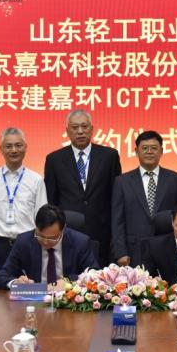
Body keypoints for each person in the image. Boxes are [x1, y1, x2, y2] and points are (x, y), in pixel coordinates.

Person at [44, 109, 122, 268]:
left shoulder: (109, 156)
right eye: (74, 127)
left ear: (92, 129)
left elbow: (116, 196)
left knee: (100, 278)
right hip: (68, 232)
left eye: (84, 126)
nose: (80, 131)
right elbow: (52, 200)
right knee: (69, 278)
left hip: (102, 232)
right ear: (67, 131)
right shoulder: (54, 159)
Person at [0, 128, 48, 285]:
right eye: (8, 146)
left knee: (29, 291)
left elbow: (42, 219)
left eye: (18, 145)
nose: (14, 150)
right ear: (1, 149)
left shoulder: (36, 180)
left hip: (28, 245)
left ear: (25, 147)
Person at [112, 130, 177, 266]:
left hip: (168, 249)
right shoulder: (122, 182)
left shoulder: (176, 180)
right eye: (144, 148)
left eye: (154, 148)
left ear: (161, 151)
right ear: (136, 151)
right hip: (133, 250)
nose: (149, 152)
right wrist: (121, 252)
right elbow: (117, 220)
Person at [0, 204, 99, 289]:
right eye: (40, 236)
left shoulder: (80, 242)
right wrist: (16, 282)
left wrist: (69, 282)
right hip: (36, 301)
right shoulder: (23, 241)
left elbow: (95, 274)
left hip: (68, 300)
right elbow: (1, 277)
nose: (45, 242)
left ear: (63, 229)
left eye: (52, 238)